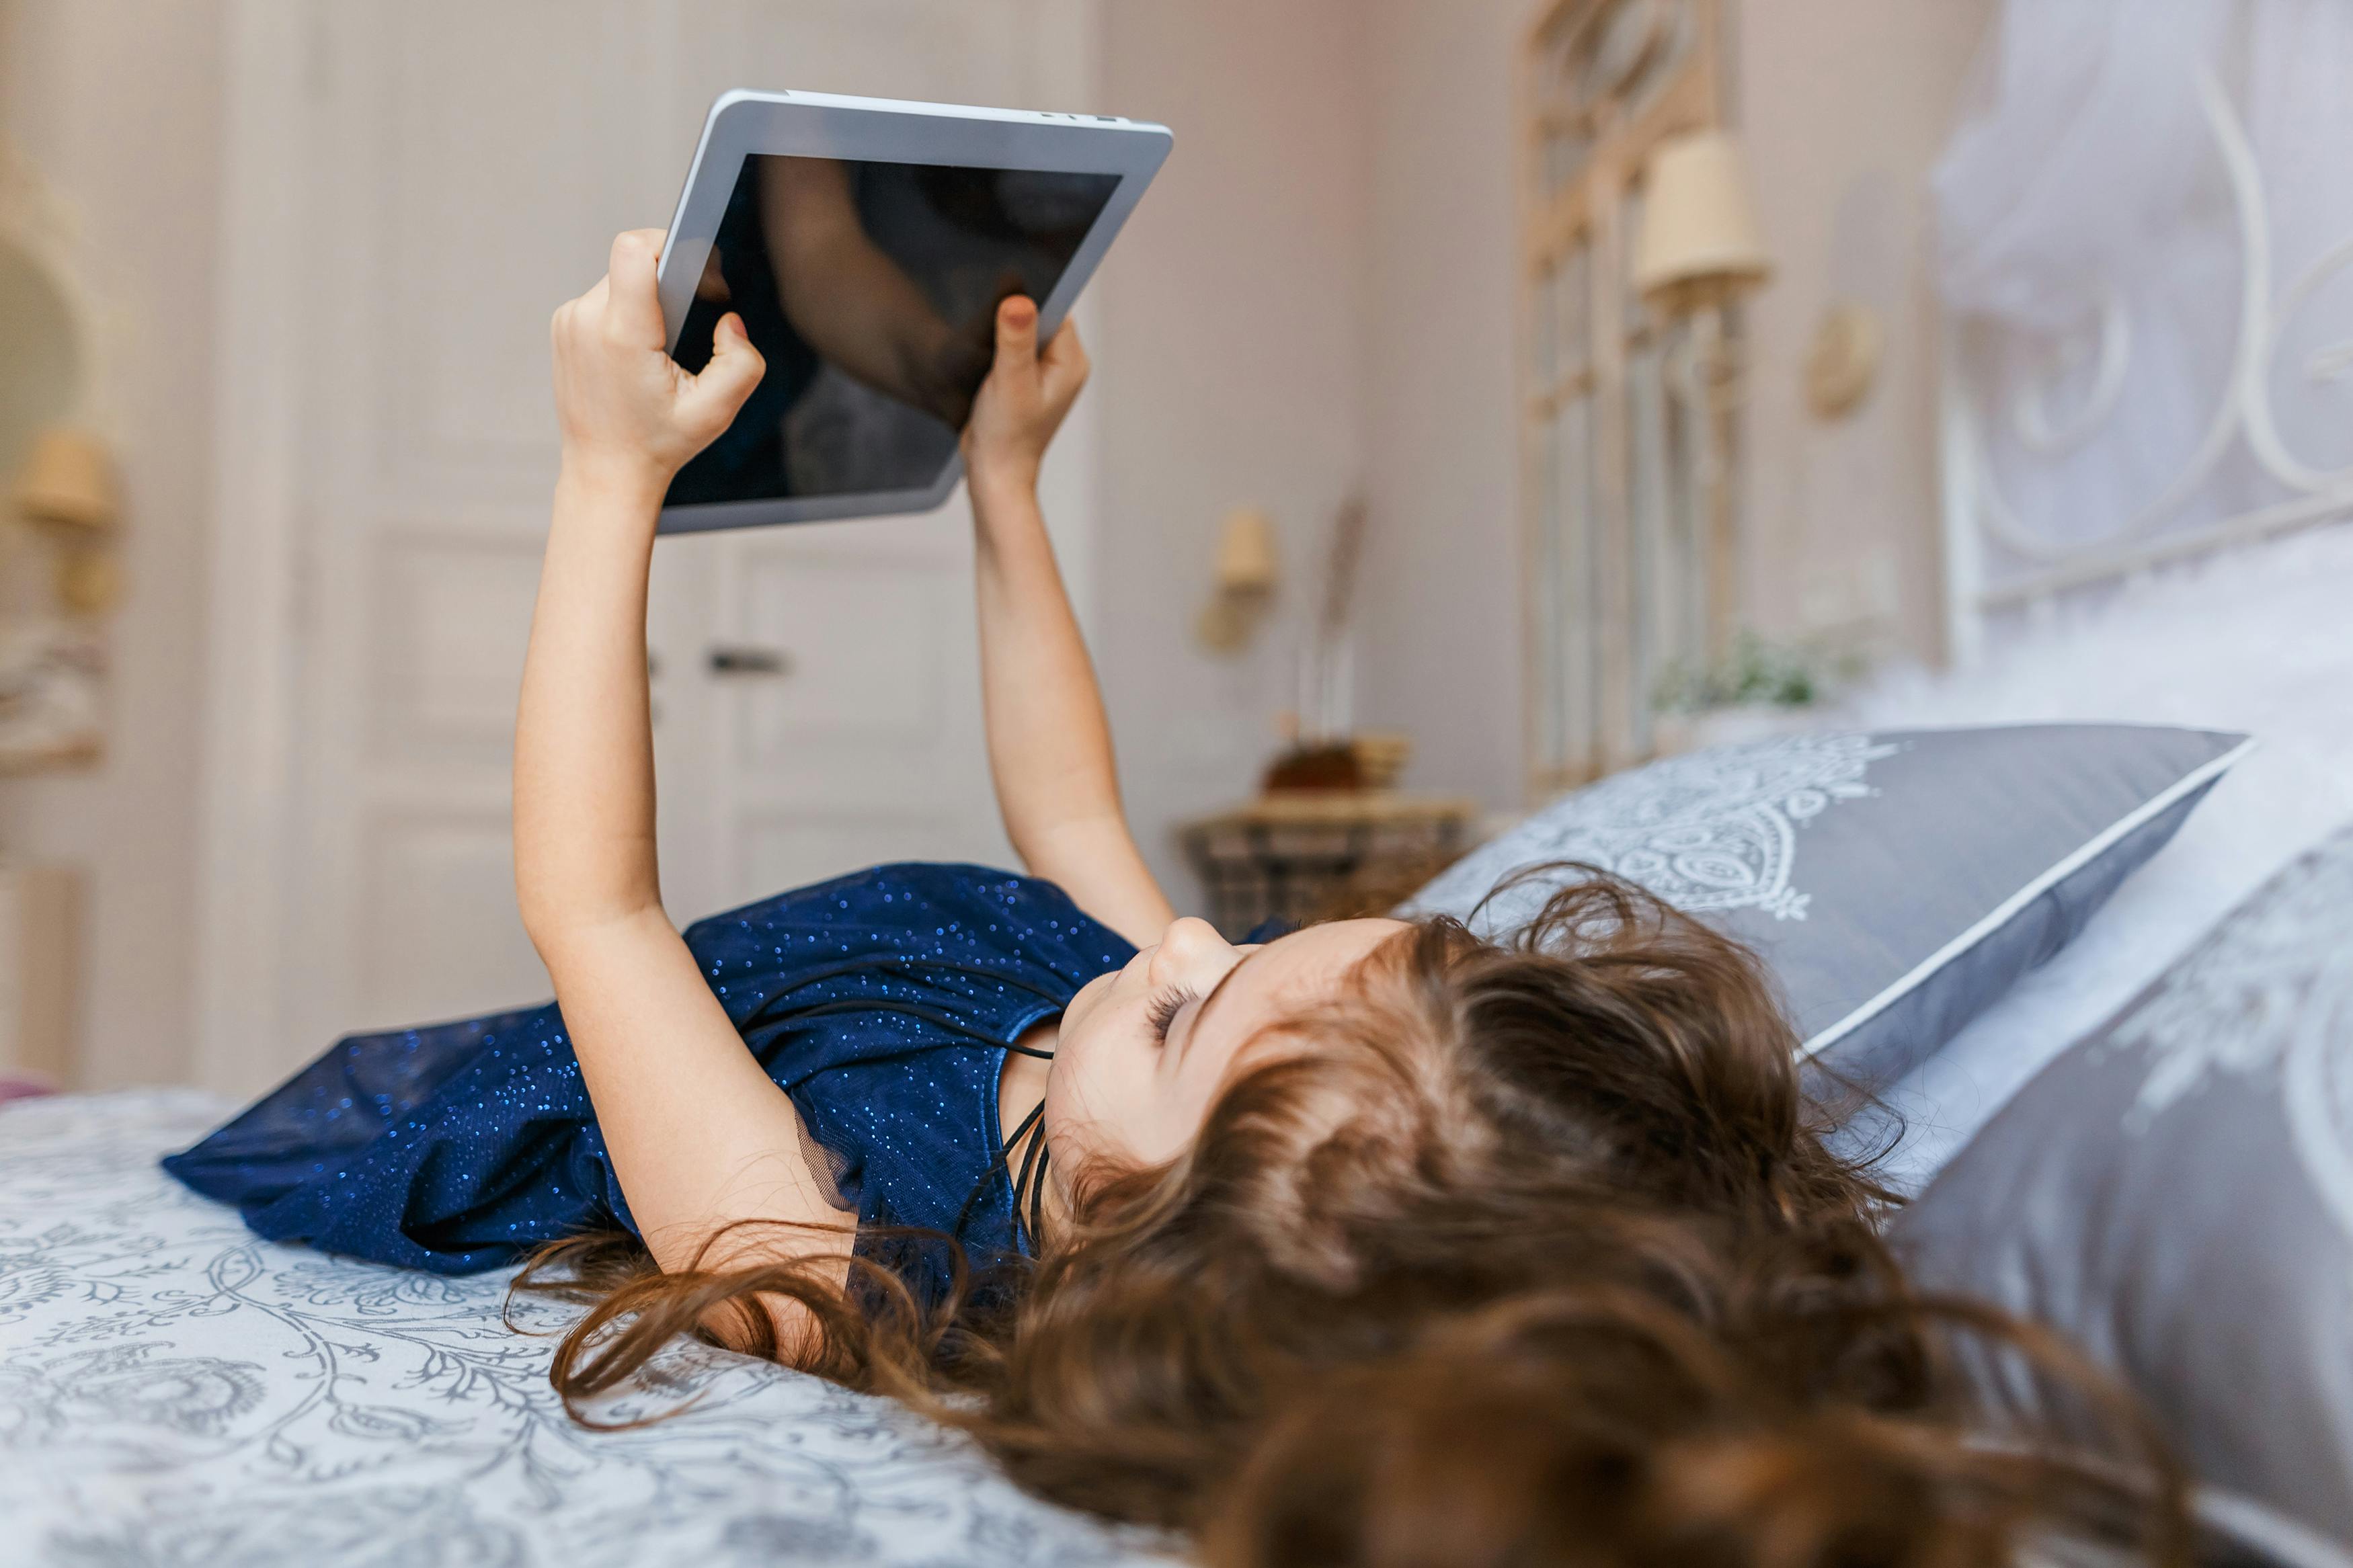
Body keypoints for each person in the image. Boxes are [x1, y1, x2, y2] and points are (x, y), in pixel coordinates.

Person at [165, 231, 2182, 1565]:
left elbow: (594, 909)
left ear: (1148, 1241)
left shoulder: (828, 1260)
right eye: (1234, 947)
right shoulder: (1211, 1063)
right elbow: (1066, 799)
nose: (1180, 942)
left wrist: (606, 484)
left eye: (1184, 1004)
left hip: (478, 1099)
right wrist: (1011, 484)